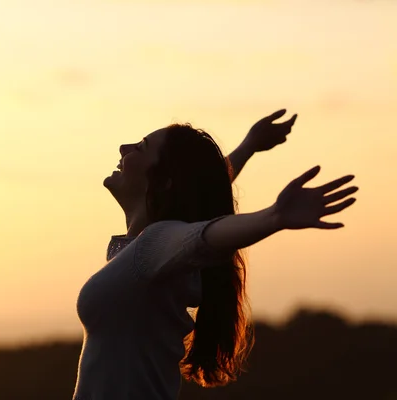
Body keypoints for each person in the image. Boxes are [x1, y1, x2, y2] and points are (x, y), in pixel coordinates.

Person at [72, 110, 358, 400]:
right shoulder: (149, 248)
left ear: (164, 182)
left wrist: (273, 216)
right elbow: (199, 191)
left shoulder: (154, 244)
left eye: (141, 147)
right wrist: (248, 147)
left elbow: (206, 235)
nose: (124, 148)